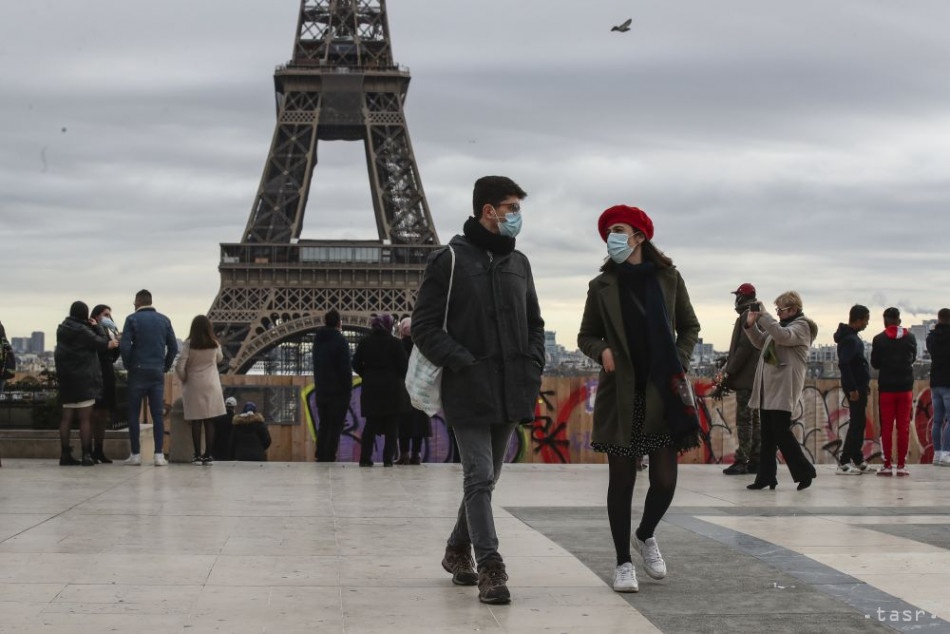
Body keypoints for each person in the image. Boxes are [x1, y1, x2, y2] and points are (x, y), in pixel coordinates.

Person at [413, 176, 544, 605]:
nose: (516, 216)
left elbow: (535, 323)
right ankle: (490, 566)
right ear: (488, 210)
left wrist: (534, 363)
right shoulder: (448, 260)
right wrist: (463, 362)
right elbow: (424, 327)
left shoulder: (519, 263)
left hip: (510, 388)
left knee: (487, 479)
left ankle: (456, 549)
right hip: (468, 388)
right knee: (479, 476)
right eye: (511, 207)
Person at [577, 205, 701, 594]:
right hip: (622, 394)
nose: (612, 237)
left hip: (662, 393)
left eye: (618, 230)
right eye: (608, 232)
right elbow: (586, 335)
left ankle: (645, 535)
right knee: (622, 481)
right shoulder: (601, 286)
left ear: (639, 236)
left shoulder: (669, 278)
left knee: (664, 482)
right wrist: (602, 352)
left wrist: (676, 363)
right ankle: (622, 562)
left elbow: (690, 326)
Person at [745, 291, 819, 491]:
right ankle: (766, 477)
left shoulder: (801, 327)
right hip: (769, 389)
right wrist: (751, 324)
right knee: (768, 435)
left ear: (794, 309)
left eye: (781, 309)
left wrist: (765, 315)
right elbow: (761, 342)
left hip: (783, 389)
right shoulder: (781, 327)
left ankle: (805, 471)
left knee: (780, 432)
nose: (777, 313)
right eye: (776, 309)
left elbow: (782, 336)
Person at [54, 301, 118, 466]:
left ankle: (64, 454)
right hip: (84, 378)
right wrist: (97, 327)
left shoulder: (61, 329)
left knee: (66, 418)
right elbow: (102, 342)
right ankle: (87, 454)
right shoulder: (83, 330)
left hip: (66, 378)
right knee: (85, 418)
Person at [119, 289, 178, 466]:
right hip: (156, 371)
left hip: (137, 370)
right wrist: (164, 366)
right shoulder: (164, 320)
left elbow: (124, 347)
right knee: (157, 415)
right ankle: (159, 455)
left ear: (137, 302)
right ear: (150, 302)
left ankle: (136, 454)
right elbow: (173, 348)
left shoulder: (131, 319)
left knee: (133, 414)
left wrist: (130, 365)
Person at [352, 314, 410, 467]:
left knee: (370, 425)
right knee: (392, 426)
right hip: (392, 389)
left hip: (371, 388)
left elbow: (355, 363)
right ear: (389, 325)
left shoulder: (365, 342)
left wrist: (367, 374)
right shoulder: (396, 343)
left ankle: (365, 459)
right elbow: (404, 367)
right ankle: (387, 460)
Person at [718, 283, 762, 475]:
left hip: (746, 380)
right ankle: (756, 459)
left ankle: (742, 459)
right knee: (754, 420)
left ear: (742, 298)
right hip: (756, 379)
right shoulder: (759, 315)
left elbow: (743, 348)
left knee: (744, 420)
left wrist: (729, 372)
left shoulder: (747, 316)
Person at [871, 307, 917, 477]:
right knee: (903, 426)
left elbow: (875, 364)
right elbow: (913, 358)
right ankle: (902, 465)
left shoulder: (879, 339)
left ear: (885, 321)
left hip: (887, 389)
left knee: (887, 427)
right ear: (899, 320)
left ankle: (887, 465)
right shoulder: (911, 338)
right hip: (905, 388)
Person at [175, 315, 226, 466]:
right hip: (211, 384)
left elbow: (179, 366)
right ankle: (208, 455)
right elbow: (220, 359)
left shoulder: (188, 344)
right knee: (210, 421)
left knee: (196, 421)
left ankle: (197, 455)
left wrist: (184, 378)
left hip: (194, 384)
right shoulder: (215, 344)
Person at [833, 304, 872, 475]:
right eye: (865, 320)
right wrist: (852, 388)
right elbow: (844, 364)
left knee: (859, 423)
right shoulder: (850, 340)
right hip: (855, 389)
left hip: (859, 387)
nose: (866, 324)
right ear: (858, 320)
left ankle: (857, 459)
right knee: (856, 424)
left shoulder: (851, 337)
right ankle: (844, 462)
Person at [312, 308, 353, 462]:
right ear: (339, 322)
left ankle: (320, 453)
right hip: (338, 392)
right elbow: (345, 369)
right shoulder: (340, 340)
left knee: (324, 424)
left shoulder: (318, 339)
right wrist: (347, 390)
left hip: (322, 389)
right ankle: (330, 454)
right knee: (335, 426)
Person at [396, 317, 431, 465]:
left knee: (403, 422)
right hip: (419, 388)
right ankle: (416, 454)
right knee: (419, 423)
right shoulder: (422, 347)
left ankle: (404, 454)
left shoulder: (398, 346)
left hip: (403, 389)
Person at [90, 305, 121, 463]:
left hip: (107, 371)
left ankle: (99, 449)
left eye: (110, 314)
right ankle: (89, 450)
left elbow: (114, 355)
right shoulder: (92, 329)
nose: (108, 317)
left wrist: (117, 343)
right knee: (94, 413)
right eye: (105, 314)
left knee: (103, 413)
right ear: (96, 315)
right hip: (97, 371)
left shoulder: (111, 331)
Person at [928, 309, 950, 466]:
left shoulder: (931, 337)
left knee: (937, 421)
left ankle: (937, 454)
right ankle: (947, 453)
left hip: (935, 383)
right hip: (949, 383)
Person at [213, 396, 237, 461]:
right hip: (231, 451)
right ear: (234, 407)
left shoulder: (218, 418)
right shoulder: (236, 420)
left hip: (218, 449)